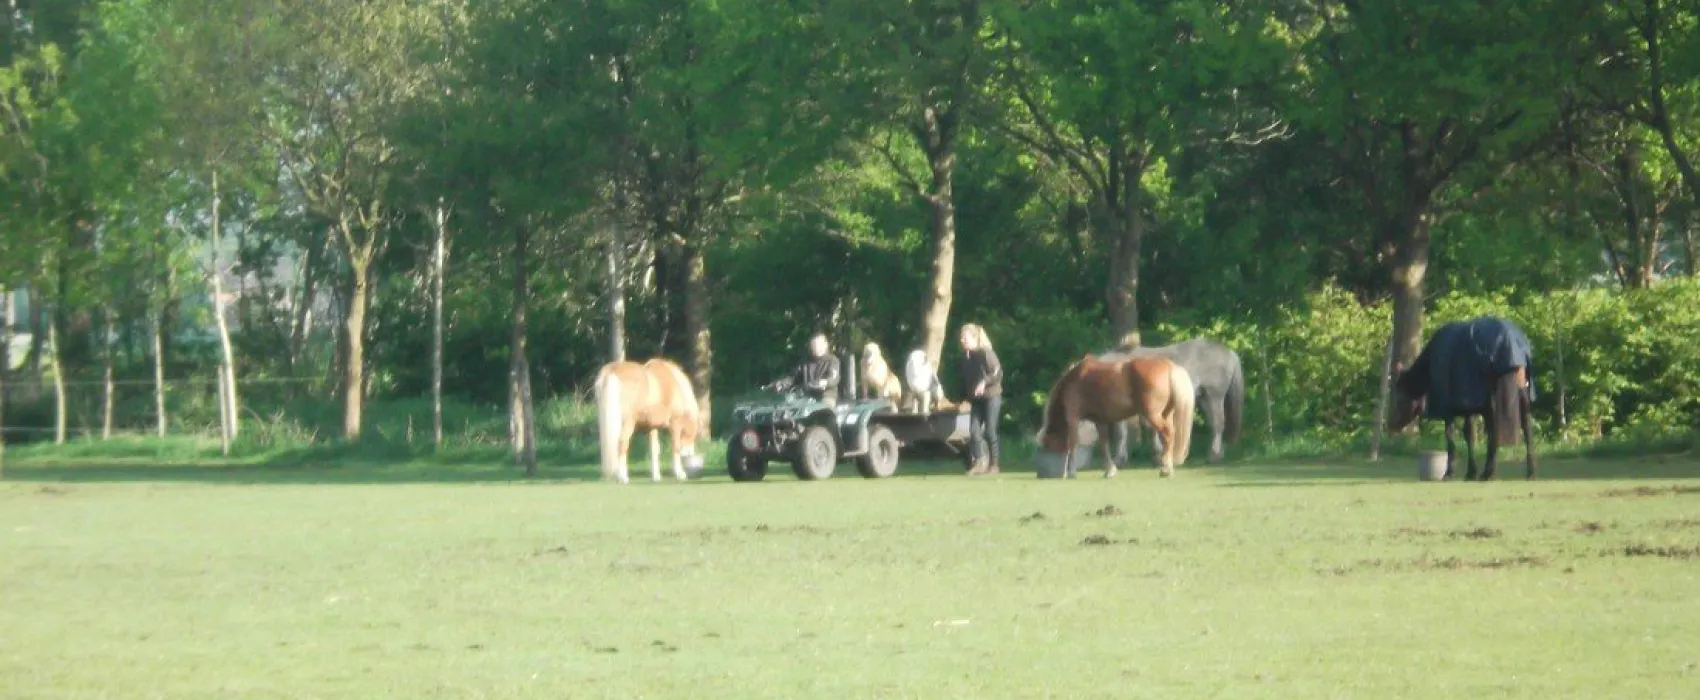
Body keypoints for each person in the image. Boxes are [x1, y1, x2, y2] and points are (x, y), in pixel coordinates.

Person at [958, 323, 1003, 476]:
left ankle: (994, 465)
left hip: (992, 397)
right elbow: (967, 380)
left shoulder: (986, 353)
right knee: (974, 432)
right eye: (961, 337)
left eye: (965, 337)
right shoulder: (967, 357)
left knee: (990, 431)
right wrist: (965, 398)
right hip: (976, 400)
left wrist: (984, 382)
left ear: (974, 338)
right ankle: (979, 463)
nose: (962, 340)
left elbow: (997, 373)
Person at [774, 333, 840, 401]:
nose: (817, 348)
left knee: (823, 408)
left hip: (827, 395)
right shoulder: (805, 361)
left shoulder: (832, 360)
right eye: (814, 345)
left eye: (819, 345)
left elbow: (834, 378)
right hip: (807, 395)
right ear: (811, 347)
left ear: (825, 345)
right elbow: (794, 377)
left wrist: (825, 382)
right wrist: (782, 383)